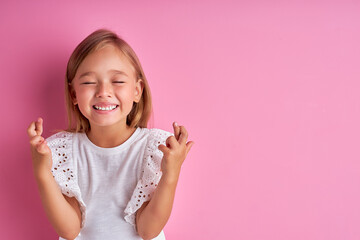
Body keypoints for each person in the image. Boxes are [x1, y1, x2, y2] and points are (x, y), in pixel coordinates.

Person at [27, 29, 194, 240]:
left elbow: (148, 230)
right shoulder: (62, 150)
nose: (103, 92)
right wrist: (42, 171)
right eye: (89, 82)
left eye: (117, 81)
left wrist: (172, 172)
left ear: (137, 90)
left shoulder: (154, 148)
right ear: (73, 94)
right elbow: (70, 230)